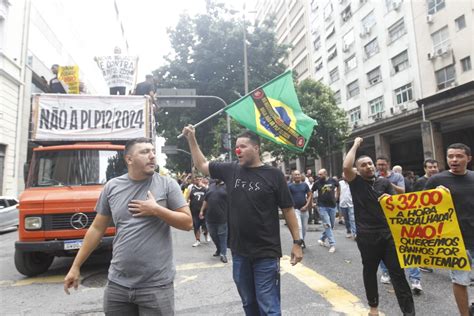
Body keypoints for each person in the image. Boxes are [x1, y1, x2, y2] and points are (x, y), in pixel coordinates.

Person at [63, 137, 192, 315]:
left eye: (153, 151)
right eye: (145, 152)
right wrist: (75, 266)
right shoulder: (112, 187)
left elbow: (188, 223)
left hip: (156, 286)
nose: (152, 156)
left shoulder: (167, 184)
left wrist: (157, 210)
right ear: (129, 159)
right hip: (118, 285)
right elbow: (96, 229)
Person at [182, 125, 303, 315]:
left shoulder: (274, 175)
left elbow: (288, 210)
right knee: (248, 303)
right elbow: (202, 165)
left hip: (266, 252)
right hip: (239, 252)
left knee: (269, 306)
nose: (237, 150)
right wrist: (191, 139)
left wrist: (297, 242)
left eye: (243, 146)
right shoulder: (230, 170)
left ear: (256, 148)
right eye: (236, 147)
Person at [343, 137, 415, 316]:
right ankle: (373, 307)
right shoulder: (356, 182)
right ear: (357, 170)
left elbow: (398, 202)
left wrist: (389, 199)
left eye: (370, 163)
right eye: (363, 165)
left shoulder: (384, 182)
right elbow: (346, 167)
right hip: (367, 237)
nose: (368, 167)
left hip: (388, 235)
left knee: (397, 273)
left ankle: (409, 312)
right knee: (369, 271)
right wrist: (356, 145)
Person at [425, 143, 474, 316]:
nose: (454, 159)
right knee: (460, 280)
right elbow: (421, 209)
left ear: (468, 158)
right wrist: (434, 197)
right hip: (454, 240)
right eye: (450, 156)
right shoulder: (436, 180)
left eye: (459, 156)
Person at [376, 157, 406, 284]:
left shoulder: (397, 177)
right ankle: (385, 271)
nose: (381, 167)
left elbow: (402, 191)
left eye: (383, 164)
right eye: (378, 165)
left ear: (388, 164)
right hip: (379, 215)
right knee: (382, 244)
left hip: (396, 213)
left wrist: (388, 183)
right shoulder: (374, 177)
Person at [200, 179, 228, 263]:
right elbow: (206, 200)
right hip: (209, 217)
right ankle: (219, 249)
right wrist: (201, 210)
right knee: (213, 236)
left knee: (222, 236)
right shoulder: (211, 186)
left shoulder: (227, 186)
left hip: (222, 217)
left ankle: (223, 254)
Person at [312, 168, 339, 253]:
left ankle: (322, 238)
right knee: (327, 224)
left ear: (325, 174)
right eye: (318, 174)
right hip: (322, 206)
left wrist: (337, 196)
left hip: (332, 206)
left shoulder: (333, 180)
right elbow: (311, 191)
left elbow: (338, 186)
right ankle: (332, 244)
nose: (319, 176)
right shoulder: (317, 183)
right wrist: (312, 202)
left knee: (331, 224)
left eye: (321, 174)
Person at [288, 170, 313, 248]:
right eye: (295, 175)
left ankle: (302, 240)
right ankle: (300, 243)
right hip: (295, 209)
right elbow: (287, 197)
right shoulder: (289, 186)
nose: (297, 176)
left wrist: (306, 206)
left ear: (300, 176)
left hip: (304, 209)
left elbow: (310, 195)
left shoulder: (305, 185)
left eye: (298, 174)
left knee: (304, 228)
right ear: (293, 176)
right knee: (299, 226)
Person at [187, 175, 209, 247]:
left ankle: (206, 235)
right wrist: (187, 204)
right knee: (196, 226)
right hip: (194, 211)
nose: (199, 180)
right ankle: (197, 240)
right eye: (197, 179)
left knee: (205, 226)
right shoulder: (191, 188)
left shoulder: (205, 188)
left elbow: (208, 198)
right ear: (194, 180)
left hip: (204, 211)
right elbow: (187, 198)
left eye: (200, 179)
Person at [339, 171, 356, 238]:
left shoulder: (352, 183)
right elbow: (337, 191)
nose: (345, 176)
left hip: (351, 203)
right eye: (343, 175)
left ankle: (355, 233)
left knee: (352, 218)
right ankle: (348, 231)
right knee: (346, 219)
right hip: (343, 203)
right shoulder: (340, 183)